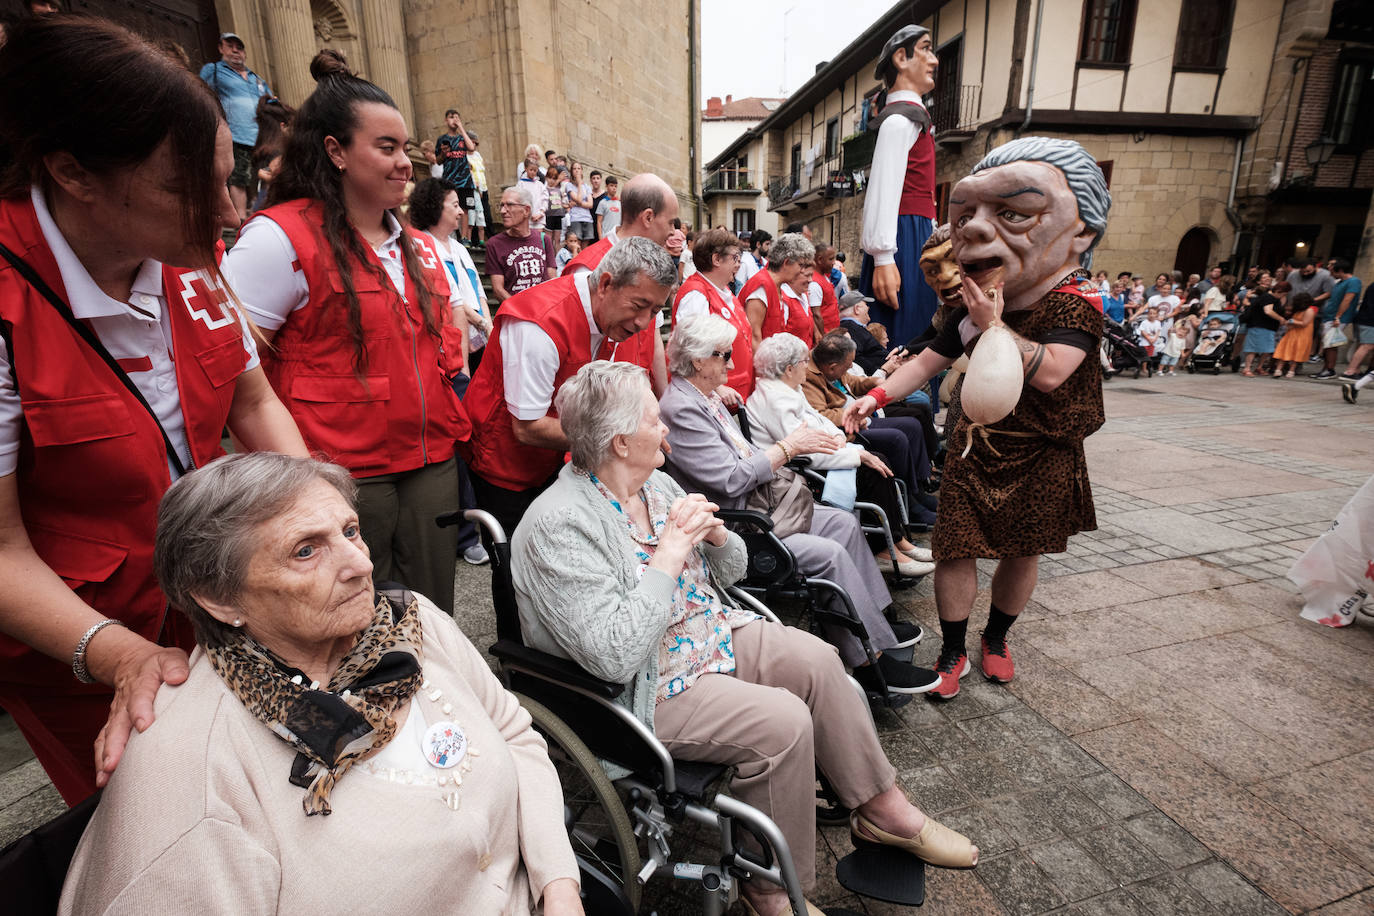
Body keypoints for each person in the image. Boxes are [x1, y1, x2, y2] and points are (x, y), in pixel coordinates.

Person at [513, 361, 976, 916]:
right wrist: (668, 556)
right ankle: (770, 893)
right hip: (646, 685)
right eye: (655, 421)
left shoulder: (654, 483)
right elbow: (613, 657)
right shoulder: (557, 526)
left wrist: (715, 534)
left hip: (709, 635)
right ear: (618, 442)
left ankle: (885, 812)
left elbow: (732, 571)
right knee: (782, 724)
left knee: (820, 660)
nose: (666, 431)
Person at [0, 15, 308, 804]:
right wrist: (120, 656)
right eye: (186, 189)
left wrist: (313, 513)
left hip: (210, 600)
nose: (231, 215)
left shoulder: (184, 258)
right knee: (154, 817)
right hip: (84, 643)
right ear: (73, 174)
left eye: (225, 176)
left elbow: (255, 400)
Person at [59, 453, 582, 915]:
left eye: (350, 531)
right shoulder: (191, 774)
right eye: (305, 550)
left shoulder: (408, 622)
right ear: (219, 599)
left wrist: (559, 885)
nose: (361, 564)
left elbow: (515, 737)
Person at [844, 137, 1111, 700]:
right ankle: (950, 650)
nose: (977, 229)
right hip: (976, 444)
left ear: (1081, 231)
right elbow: (925, 363)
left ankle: (997, 639)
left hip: (1044, 447)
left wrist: (993, 325)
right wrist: (876, 397)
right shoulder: (970, 302)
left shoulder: (1076, 299)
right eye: (966, 214)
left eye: (1012, 213)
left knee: (1022, 549)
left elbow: (1052, 373)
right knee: (955, 546)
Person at [222, 53, 469, 618]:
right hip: (339, 468)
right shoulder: (278, 238)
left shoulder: (417, 242)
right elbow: (234, 366)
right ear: (335, 151)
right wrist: (293, 475)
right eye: (386, 148)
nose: (406, 163)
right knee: (353, 617)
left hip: (429, 458)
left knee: (432, 612)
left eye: (407, 148)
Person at [659, 316, 939, 698]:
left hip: (763, 507)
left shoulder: (704, 397)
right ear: (696, 362)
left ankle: (878, 624)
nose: (731, 364)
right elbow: (731, 480)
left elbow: (744, 458)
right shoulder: (681, 408)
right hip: (737, 525)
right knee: (829, 554)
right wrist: (788, 448)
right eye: (723, 356)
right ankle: (869, 660)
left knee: (843, 523)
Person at [461, 238, 673, 537]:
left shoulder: (613, 314)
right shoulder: (538, 324)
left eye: (655, 311)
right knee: (517, 565)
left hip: (556, 460)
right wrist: (620, 438)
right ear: (605, 285)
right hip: (507, 464)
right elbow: (527, 427)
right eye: (639, 306)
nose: (643, 322)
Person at [749, 333, 934, 574]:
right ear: (789, 368)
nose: (808, 365)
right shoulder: (775, 399)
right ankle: (884, 549)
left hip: (821, 454)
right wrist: (854, 454)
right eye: (805, 362)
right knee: (871, 469)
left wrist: (840, 441)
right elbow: (804, 448)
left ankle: (897, 541)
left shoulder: (788, 389)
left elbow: (821, 425)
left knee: (878, 460)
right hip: (799, 468)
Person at [804, 331, 936, 531]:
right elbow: (820, 415)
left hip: (856, 416)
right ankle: (908, 503)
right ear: (832, 367)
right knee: (896, 438)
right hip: (846, 427)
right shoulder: (809, 378)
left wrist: (873, 383)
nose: (850, 368)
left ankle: (915, 490)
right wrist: (851, 414)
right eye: (847, 365)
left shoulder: (832, 363)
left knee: (912, 425)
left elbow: (852, 382)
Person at [859, 25, 941, 345]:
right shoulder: (899, 121)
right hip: (902, 236)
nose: (933, 59)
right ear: (901, 58)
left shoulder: (909, 119)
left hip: (912, 234)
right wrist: (883, 258)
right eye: (926, 49)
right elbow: (883, 190)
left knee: (919, 328)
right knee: (903, 333)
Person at [407, 178, 491, 375]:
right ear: (435, 207)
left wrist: (488, 326)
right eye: (455, 205)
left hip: (479, 336)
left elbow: (478, 290)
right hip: (450, 338)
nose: (461, 211)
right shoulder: (422, 246)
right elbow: (452, 299)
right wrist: (483, 323)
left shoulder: (460, 248)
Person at [198, 32, 273, 223]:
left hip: (261, 137)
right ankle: (241, 219)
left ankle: (261, 214)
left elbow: (271, 101)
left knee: (264, 176)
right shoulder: (213, 70)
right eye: (229, 45)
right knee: (239, 177)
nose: (235, 50)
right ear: (220, 48)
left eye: (239, 47)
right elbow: (199, 93)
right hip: (235, 134)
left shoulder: (256, 78)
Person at [672, 227, 755, 400]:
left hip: (735, 393)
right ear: (716, 259)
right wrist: (718, 389)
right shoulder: (696, 294)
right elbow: (691, 350)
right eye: (735, 258)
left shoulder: (724, 291)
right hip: (715, 398)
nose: (739, 264)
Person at [741, 232, 815, 349]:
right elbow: (753, 338)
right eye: (800, 265)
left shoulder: (775, 286)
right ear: (786, 263)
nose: (801, 271)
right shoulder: (761, 287)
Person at [485, 184, 557, 304]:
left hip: (543, 311)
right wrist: (522, 311)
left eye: (510, 205)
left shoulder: (544, 240)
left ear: (526, 210)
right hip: (515, 316)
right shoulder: (494, 244)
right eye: (502, 205)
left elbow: (552, 280)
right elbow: (498, 290)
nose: (503, 211)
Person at [434, 108, 476, 240]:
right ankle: (452, 235)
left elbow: (471, 148)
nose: (454, 120)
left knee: (465, 209)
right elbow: (438, 161)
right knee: (450, 207)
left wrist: (461, 129)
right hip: (450, 180)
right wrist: (443, 154)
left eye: (457, 117)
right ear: (446, 120)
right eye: (452, 117)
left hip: (465, 180)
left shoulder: (462, 138)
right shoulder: (442, 139)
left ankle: (464, 238)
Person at [1240, 280, 1284, 377]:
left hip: (1269, 327)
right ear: (1279, 291)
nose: (1283, 296)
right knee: (1253, 347)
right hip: (1259, 325)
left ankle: (1259, 367)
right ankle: (1247, 368)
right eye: (1283, 294)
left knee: (1267, 348)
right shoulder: (1268, 297)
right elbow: (1268, 311)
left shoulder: (1273, 298)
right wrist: (1280, 319)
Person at [1271, 290, 1316, 378]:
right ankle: (1278, 370)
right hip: (1292, 333)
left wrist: (1292, 321)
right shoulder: (1298, 310)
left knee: (1297, 352)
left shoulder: (1309, 310)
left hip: (1302, 335)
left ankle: (1291, 371)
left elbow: (1304, 323)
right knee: (1284, 351)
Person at [809, 243, 841, 337]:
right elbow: (816, 315)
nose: (834, 262)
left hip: (833, 333)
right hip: (826, 335)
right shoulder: (814, 283)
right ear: (819, 260)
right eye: (831, 259)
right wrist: (824, 338)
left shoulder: (824, 276)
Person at [465, 130, 490, 247]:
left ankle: (484, 240)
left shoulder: (478, 155)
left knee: (484, 215)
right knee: (471, 216)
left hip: (482, 188)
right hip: (471, 189)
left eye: (475, 143)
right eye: (472, 142)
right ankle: (472, 240)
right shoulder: (464, 156)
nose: (474, 145)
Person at [563, 161, 595, 242]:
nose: (577, 170)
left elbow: (590, 204)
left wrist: (576, 204)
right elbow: (579, 199)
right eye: (574, 169)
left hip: (587, 219)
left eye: (579, 168)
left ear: (581, 171)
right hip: (575, 218)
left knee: (585, 247)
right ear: (571, 171)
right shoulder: (569, 185)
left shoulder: (587, 187)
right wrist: (579, 183)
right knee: (576, 244)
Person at [519, 158, 549, 229]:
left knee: (539, 239)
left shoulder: (540, 185)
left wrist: (541, 213)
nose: (533, 172)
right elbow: (519, 200)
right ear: (526, 169)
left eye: (535, 170)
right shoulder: (521, 184)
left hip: (539, 218)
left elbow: (545, 199)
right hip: (526, 219)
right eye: (531, 170)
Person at [542, 165, 567, 251]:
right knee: (548, 239)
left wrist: (567, 205)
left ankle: (557, 260)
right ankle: (550, 258)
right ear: (546, 178)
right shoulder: (544, 189)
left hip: (558, 216)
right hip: (549, 216)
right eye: (550, 178)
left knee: (557, 240)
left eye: (554, 178)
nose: (552, 180)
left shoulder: (559, 190)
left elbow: (562, 202)